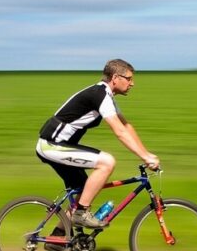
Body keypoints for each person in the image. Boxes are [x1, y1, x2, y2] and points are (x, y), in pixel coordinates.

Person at [36, 59, 160, 229]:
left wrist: (147, 154)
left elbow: (126, 126)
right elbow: (119, 132)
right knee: (107, 162)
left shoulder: (106, 96)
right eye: (129, 79)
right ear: (115, 78)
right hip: (51, 145)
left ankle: (57, 237)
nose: (132, 83)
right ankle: (80, 213)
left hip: (59, 146)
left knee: (84, 192)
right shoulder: (100, 95)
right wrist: (144, 156)